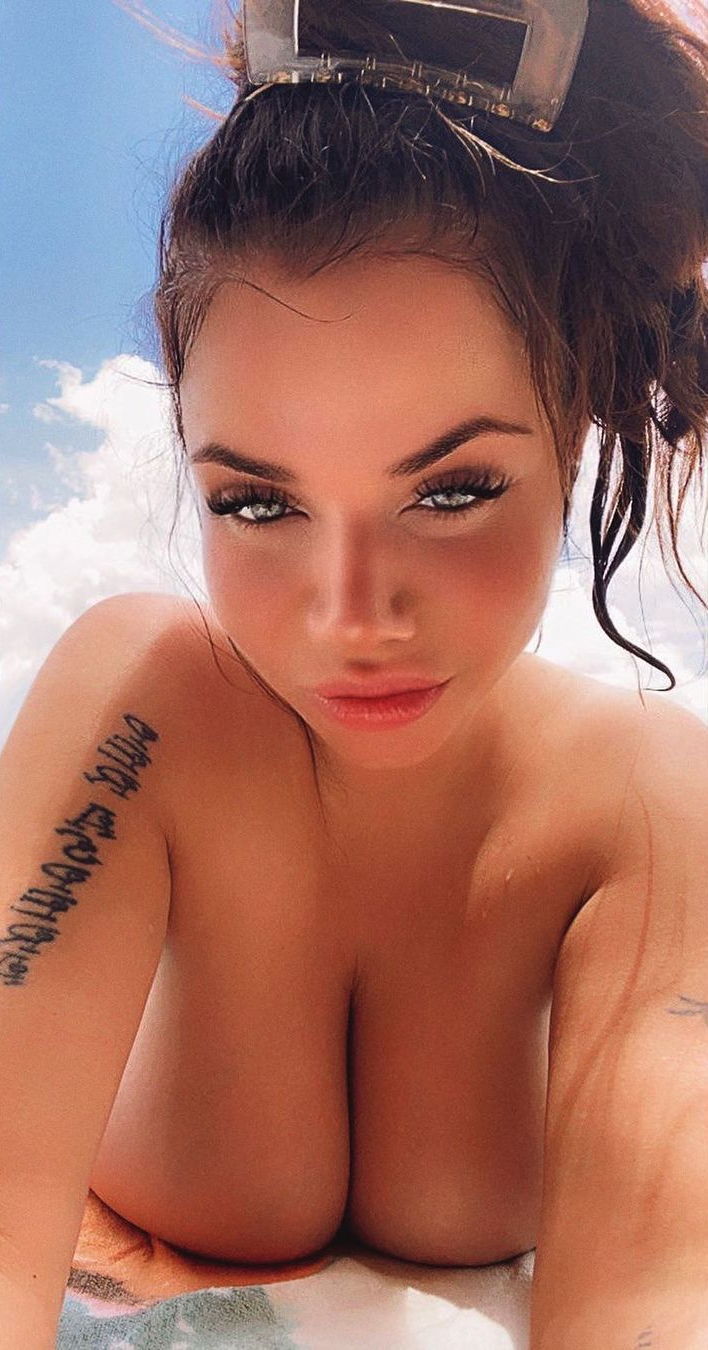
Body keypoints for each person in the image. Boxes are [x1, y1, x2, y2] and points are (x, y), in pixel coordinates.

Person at [1, 1, 707, 1345]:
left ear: (573, 429)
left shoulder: (654, 808)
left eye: (451, 490)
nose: (349, 614)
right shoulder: (147, 708)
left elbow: (660, 1305)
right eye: (257, 503)